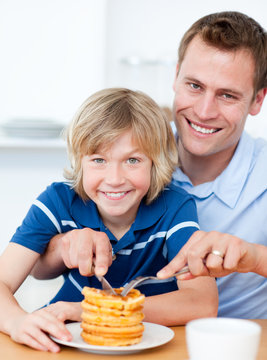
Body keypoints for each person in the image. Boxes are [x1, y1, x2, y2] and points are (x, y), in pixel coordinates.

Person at [32, 11, 267, 320]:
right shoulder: (131, 149)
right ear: (176, 76)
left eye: (227, 95)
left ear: (257, 101)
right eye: (194, 86)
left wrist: (254, 258)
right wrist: (64, 245)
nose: (204, 111)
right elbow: (37, 265)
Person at [0, 88, 218, 352]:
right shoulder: (57, 202)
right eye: (99, 160)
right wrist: (16, 322)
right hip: (65, 343)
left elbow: (201, 302)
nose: (114, 178)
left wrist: (91, 311)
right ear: (80, 161)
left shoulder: (175, 207)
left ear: (155, 162)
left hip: (148, 347)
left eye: (133, 160)